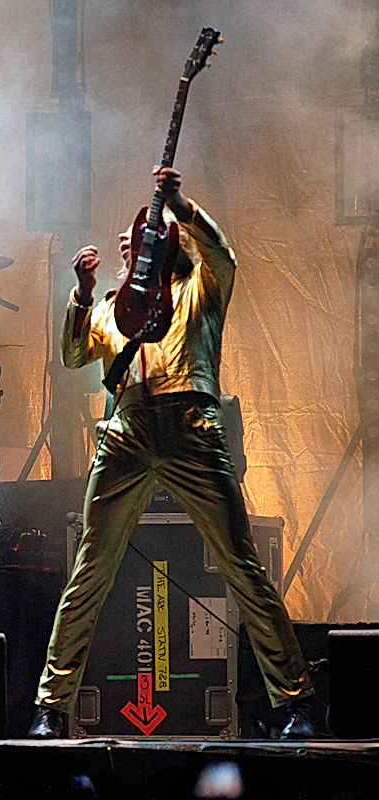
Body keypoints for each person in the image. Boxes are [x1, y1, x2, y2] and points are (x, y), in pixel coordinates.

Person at [27, 167, 315, 740]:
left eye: (145, 240)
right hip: (127, 428)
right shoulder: (115, 307)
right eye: (125, 246)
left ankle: (297, 700)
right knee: (91, 567)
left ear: (169, 244)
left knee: (240, 564)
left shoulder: (200, 287)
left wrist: (181, 206)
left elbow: (224, 253)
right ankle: (51, 706)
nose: (131, 249)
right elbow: (72, 353)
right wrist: (82, 296)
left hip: (192, 425)